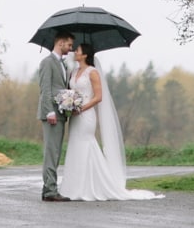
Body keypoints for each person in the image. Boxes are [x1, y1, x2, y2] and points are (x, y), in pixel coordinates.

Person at [57, 42, 163, 201]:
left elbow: (98, 97)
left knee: (87, 145)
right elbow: (70, 92)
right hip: (74, 115)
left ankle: (95, 186)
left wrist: (81, 108)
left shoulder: (92, 72)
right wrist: (68, 103)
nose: (74, 52)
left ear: (85, 54)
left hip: (86, 115)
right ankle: (75, 186)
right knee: (75, 146)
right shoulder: (73, 72)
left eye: (77, 50)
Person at [36, 32, 75, 202]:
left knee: (56, 152)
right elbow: (45, 89)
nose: (71, 48)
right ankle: (51, 190)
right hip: (51, 114)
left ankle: (48, 189)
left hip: (60, 113)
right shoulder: (47, 62)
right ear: (60, 43)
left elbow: (62, 88)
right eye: (69, 45)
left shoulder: (63, 64)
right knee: (51, 152)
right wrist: (49, 111)